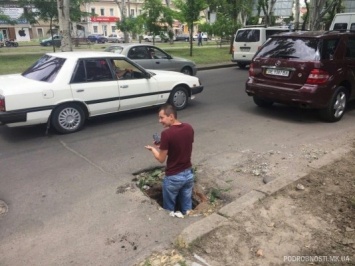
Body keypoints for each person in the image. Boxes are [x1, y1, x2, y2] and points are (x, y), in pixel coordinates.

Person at [145, 104, 194, 217]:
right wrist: (164, 145)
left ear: (171, 116)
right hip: (189, 175)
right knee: (187, 207)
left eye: (162, 117)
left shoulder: (166, 134)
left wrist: (153, 149)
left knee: (169, 211)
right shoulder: (189, 127)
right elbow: (182, 145)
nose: (159, 121)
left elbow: (161, 159)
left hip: (174, 178)